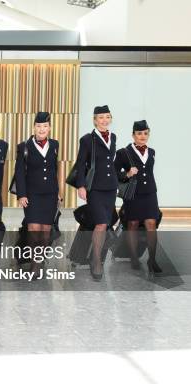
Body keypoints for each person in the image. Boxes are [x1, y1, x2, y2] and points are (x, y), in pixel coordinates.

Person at [12, 112, 63, 278]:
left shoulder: (55, 145)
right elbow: (19, 172)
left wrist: (59, 192)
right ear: (34, 127)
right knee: (34, 229)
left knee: (46, 231)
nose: (42, 129)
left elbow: (56, 170)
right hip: (32, 195)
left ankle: (39, 260)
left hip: (50, 194)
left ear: (49, 128)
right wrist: (21, 195)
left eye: (45, 126)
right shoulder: (24, 146)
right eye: (39, 126)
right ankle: (34, 263)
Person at [74, 105, 118, 281]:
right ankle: (96, 260)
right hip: (95, 189)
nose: (104, 120)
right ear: (95, 120)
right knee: (100, 224)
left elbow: (110, 162)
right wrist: (81, 186)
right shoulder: (87, 139)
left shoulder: (113, 137)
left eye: (107, 117)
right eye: (101, 117)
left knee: (105, 224)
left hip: (110, 188)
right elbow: (80, 164)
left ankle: (95, 257)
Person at [115, 120, 161, 273]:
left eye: (145, 133)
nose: (143, 136)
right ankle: (134, 258)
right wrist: (127, 174)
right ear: (133, 135)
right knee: (133, 224)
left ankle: (152, 260)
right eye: (139, 133)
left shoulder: (152, 152)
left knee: (151, 225)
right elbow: (115, 174)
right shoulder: (123, 153)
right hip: (133, 195)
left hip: (149, 193)